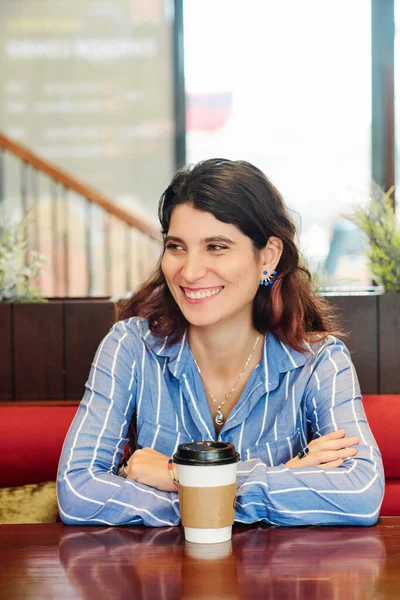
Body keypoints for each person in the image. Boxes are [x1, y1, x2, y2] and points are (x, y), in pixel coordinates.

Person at [57, 158, 384, 527]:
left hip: (277, 583)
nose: (191, 271)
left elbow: (361, 492)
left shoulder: (319, 361)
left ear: (268, 256)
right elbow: (78, 492)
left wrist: (177, 476)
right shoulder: (131, 346)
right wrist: (274, 479)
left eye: (216, 246)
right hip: (159, 582)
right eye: (176, 246)